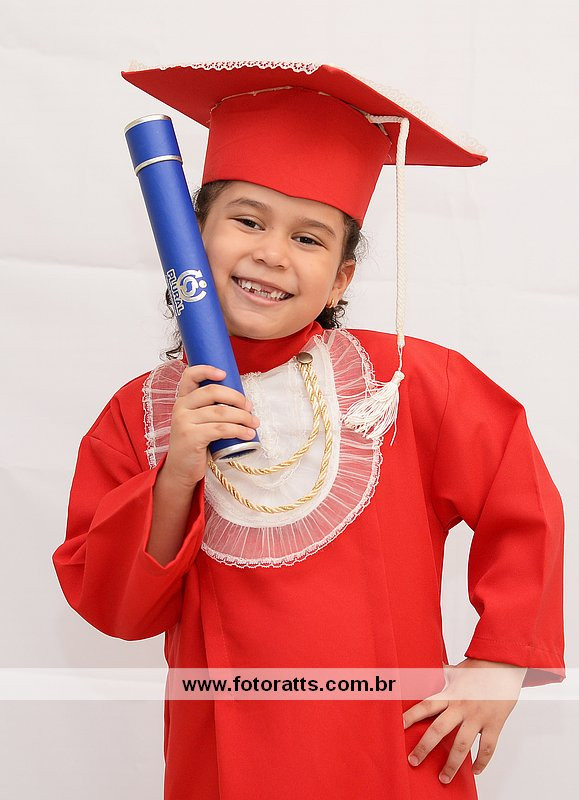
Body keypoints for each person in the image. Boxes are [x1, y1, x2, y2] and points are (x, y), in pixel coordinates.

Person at [52, 62, 565, 800]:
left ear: (341, 279)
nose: (272, 253)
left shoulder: (406, 385)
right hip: (224, 761)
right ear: (188, 240)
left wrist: (497, 661)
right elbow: (118, 609)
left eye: (309, 238)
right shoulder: (140, 416)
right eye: (248, 220)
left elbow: (523, 504)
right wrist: (177, 474)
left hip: (395, 748)